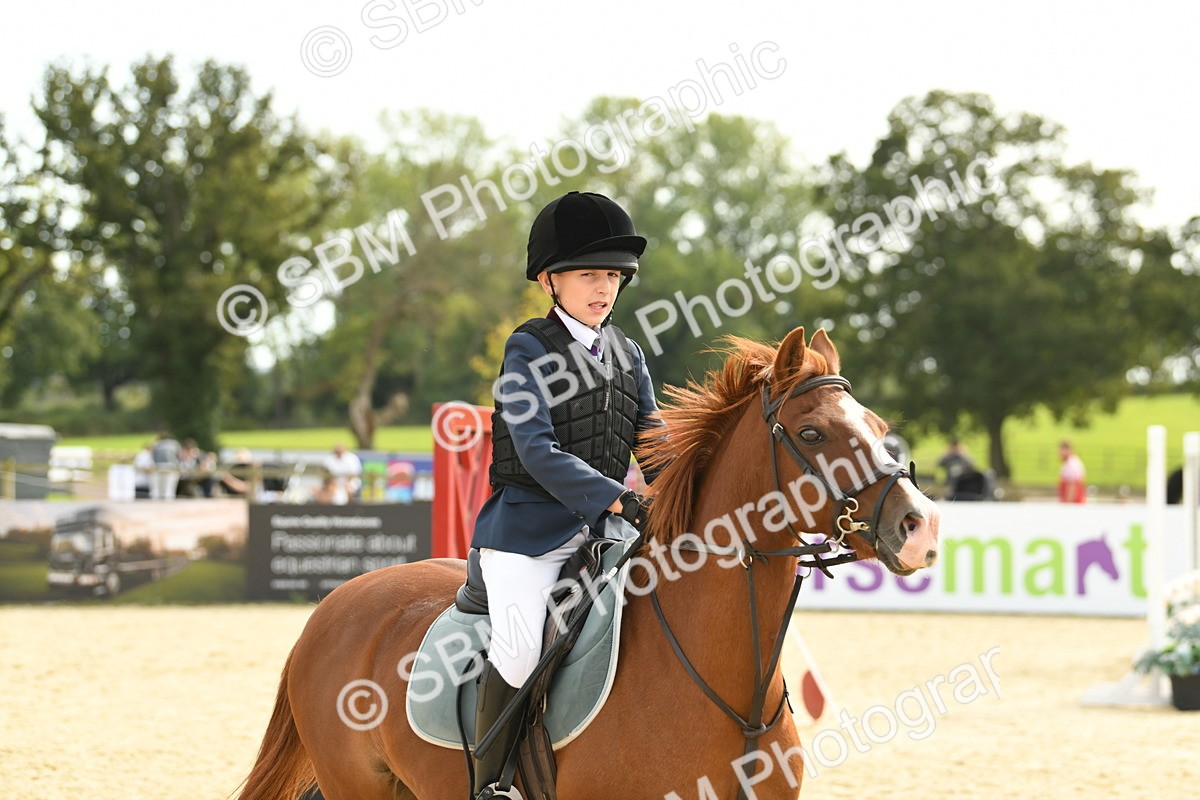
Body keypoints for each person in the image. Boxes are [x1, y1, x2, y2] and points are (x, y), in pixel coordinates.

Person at [468, 191, 664, 796]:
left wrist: (691, 490)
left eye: (611, 275)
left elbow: (654, 444)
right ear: (551, 280)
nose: (603, 288)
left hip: (607, 535)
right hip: (527, 536)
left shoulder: (628, 353)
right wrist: (617, 498)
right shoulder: (528, 347)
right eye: (588, 275)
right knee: (523, 649)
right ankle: (491, 784)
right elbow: (536, 450)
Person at [149, 431, 181, 501]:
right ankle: (168, 499)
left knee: (157, 485)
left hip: (158, 465)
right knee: (169, 485)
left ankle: (155, 498)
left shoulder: (156, 444)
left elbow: (152, 455)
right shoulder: (175, 443)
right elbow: (179, 455)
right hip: (171, 465)